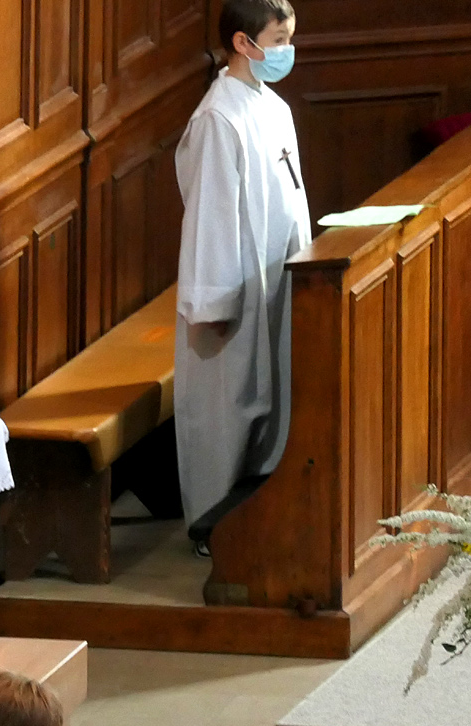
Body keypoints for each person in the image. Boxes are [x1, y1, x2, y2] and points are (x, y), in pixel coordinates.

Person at [173, 0, 311, 553]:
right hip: (234, 293)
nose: (286, 51)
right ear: (241, 42)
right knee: (227, 409)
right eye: (277, 40)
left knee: (271, 401)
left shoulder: (271, 106)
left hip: (275, 280)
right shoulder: (218, 119)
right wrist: (212, 304)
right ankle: (215, 527)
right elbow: (210, 218)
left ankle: (259, 515)